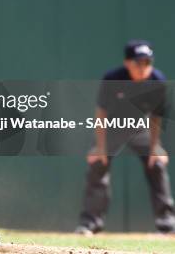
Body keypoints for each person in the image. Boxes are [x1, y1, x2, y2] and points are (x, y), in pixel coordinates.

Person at [75, 40, 175, 235]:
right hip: (113, 126)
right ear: (127, 63)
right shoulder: (113, 78)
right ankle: (90, 224)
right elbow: (101, 113)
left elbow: (156, 116)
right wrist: (100, 147)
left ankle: (168, 226)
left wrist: (155, 147)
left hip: (140, 127)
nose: (143, 67)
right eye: (138, 63)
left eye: (147, 62)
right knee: (98, 163)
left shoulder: (157, 80)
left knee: (157, 164)